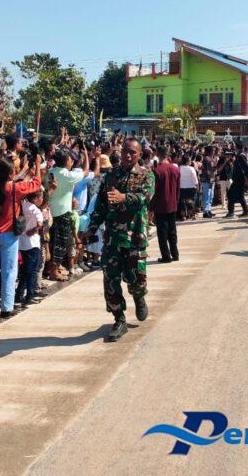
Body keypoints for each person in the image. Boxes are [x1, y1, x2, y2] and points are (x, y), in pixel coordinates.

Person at [83, 139, 154, 342]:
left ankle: (139, 296)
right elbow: (101, 206)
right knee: (110, 279)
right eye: (125, 152)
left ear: (139, 155)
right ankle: (119, 319)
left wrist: (125, 197)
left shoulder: (146, 174)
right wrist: (91, 228)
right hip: (113, 238)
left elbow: (146, 197)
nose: (128, 156)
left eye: (133, 153)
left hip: (135, 237)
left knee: (137, 278)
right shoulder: (111, 175)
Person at [0, 156, 41, 317]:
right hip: (8, 236)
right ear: (10, 173)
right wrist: (37, 165)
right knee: (9, 271)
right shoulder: (15, 188)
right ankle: (7, 307)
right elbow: (36, 184)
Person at [46, 148, 89, 281]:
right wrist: (86, 155)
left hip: (49, 213)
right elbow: (86, 172)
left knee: (50, 242)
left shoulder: (50, 172)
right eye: (71, 160)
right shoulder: (68, 175)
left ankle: (51, 269)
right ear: (66, 162)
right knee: (60, 244)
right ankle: (53, 272)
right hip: (63, 213)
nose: (72, 162)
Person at [151, 145, 180, 263]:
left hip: (160, 205)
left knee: (162, 232)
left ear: (157, 154)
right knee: (172, 230)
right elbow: (178, 188)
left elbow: (153, 191)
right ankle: (175, 254)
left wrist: (151, 207)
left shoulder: (157, 171)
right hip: (173, 203)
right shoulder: (175, 169)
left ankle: (166, 256)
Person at [16, 189, 44, 307]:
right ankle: (30, 296)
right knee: (32, 271)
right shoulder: (35, 210)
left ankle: (19, 294)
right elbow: (40, 223)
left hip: (21, 242)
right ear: (36, 198)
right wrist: (34, 230)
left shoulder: (22, 206)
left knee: (24, 270)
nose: (42, 199)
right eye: (41, 197)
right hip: (32, 243)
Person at [226, 141, 248, 217]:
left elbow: (246, 168)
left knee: (230, 194)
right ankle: (246, 211)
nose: (234, 147)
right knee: (239, 195)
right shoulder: (239, 155)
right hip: (237, 178)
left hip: (239, 179)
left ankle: (231, 212)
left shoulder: (241, 156)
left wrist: (247, 178)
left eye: (235, 146)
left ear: (237, 147)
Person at [199, 146, 216, 219]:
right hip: (206, 180)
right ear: (210, 151)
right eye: (213, 150)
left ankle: (208, 210)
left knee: (210, 196)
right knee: (207, 196)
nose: (214, 152)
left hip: (211, 179)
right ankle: (205, 212)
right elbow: (207, 171)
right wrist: (209, 179)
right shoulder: (206, 159)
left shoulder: (210, 158)